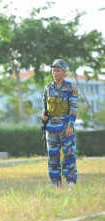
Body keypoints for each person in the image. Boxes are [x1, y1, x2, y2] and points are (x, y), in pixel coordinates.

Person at [42, 59, 78, 187]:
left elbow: (73, 108)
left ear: (64, 71)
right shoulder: (48, 87)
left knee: (69, 154)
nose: (55, 73)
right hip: (51, 127)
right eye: (53, 70)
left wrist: (70, 126)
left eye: (57, 70)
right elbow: (44, 106)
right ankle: (55, 181)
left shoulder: (70, 88)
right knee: (52, 156)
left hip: (65, 126)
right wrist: (43, 116)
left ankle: (71, 181)